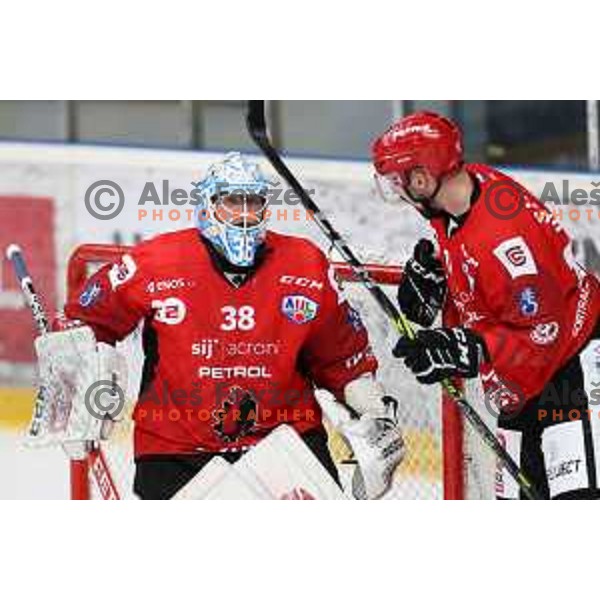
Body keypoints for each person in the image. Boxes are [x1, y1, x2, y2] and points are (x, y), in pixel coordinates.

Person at [59, 152, 403, 499]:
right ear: (208, 205)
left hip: (286, 441)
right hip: (175, 450)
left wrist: (377, 414)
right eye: (231, 201)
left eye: (252, 202)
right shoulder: (155, 262)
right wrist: (78, 380)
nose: (243, 214)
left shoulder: (306, 265)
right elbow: (86, 321)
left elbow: (342, 358)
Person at [371, 111, 600, 499]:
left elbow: (545, 334)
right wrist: (441, 270)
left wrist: (469, 349)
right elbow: (479, 263)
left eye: (398, 180)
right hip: (520, 386)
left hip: (569, 376)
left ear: (423, 179)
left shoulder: (506, 240)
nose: (396, 190)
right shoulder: (460, 193)